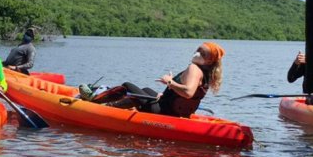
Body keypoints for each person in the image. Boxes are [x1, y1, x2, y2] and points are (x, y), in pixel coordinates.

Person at [89, 42, 225, 118]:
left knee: (127, 86)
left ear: (209, 60)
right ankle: (114, 109)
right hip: (174, 112)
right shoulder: (207, 73)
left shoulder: (194, 68)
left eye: (202, 53)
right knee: (145, 91)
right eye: (198, 50)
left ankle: (99, 106)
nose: (197, 53)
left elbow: (188, 93)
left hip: (162, 112)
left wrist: (169, 82)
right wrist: (167, 94)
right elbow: (187, 96)